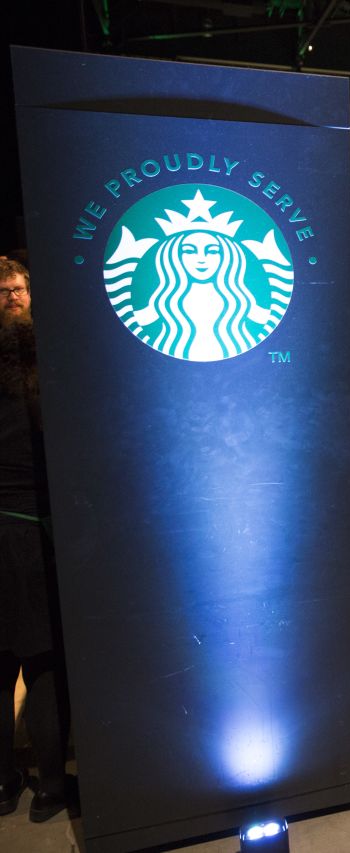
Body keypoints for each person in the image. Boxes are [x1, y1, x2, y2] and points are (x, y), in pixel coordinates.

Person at [0, 261, 75, 822]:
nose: (15, 296)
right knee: (41, 662)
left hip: (21, 526)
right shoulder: (49, 373)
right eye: (6, 292)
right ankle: (49, 785)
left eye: (21, 287)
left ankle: (10, 783)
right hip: (28, 532)